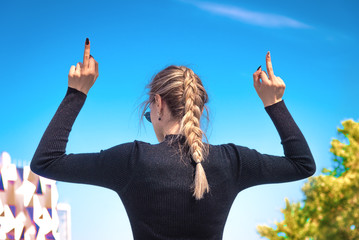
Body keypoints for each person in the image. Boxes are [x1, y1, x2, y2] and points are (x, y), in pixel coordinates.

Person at [31, 38, 316, 240]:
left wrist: (76, 92)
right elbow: (303, 164)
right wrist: (274, 103)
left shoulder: (132, 161)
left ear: (157, 104)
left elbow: (46, 161)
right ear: (201, 111)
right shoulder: (232, 161)